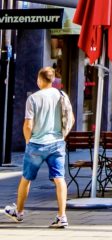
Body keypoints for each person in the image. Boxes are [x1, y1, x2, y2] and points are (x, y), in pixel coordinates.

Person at [4, 66, 73, 228]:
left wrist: (28, 141)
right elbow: (71, 119)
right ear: (53, 80)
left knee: (26, 178)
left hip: (36, 143)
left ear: (40, 80)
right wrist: (62, 136)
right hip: (56, 143)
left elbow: (28, 124)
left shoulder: (34, 98)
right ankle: (62, 216)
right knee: (59, 178)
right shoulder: (62, 96)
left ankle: (19, 212)